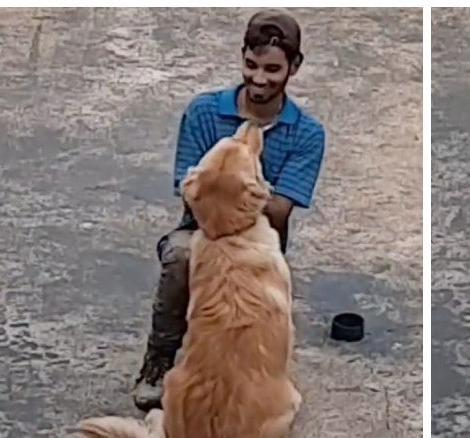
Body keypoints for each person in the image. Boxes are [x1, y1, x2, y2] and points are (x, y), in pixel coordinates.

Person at [133, 10, 326, 411]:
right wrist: (241, 191)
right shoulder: (204, 112)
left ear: (295, 67)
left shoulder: (307, 133)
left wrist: (226, 183)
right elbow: (189, 195)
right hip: (201, 228)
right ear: (241, 57)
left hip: (261, 242)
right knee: (182, 254)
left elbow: (279, 212)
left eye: (273, 69)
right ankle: (159, 359)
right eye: (251, 65)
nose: (259, 78)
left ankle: (257, 377)